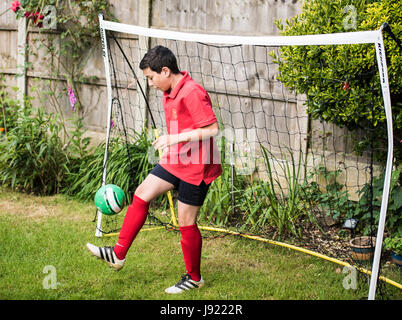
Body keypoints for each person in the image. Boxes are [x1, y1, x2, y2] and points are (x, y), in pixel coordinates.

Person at [87, 45, 222, 294]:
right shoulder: (169, 91)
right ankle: (118, 255)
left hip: (198, 166)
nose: (150, 84)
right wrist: (171, 143)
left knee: (186, 222)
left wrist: (174, 138)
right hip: (176, 159)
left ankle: (194, 278)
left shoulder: (192, 92)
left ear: (166, 71)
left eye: (151, 77)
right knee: (142, 193)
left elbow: (213, 129)